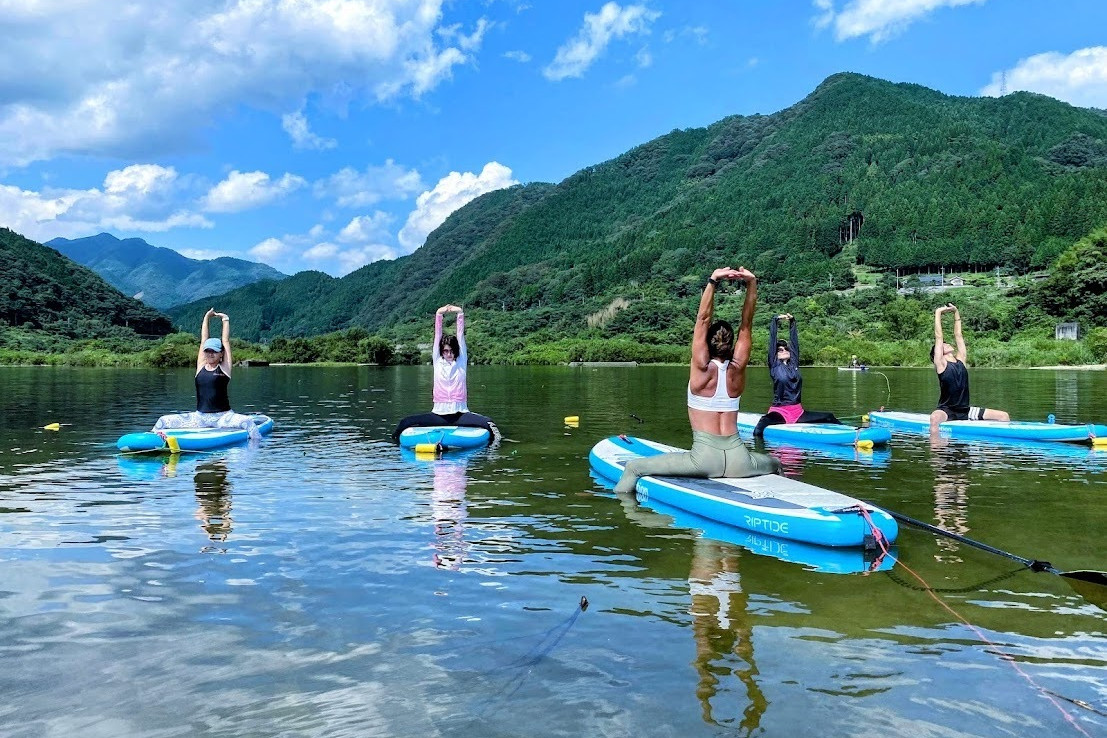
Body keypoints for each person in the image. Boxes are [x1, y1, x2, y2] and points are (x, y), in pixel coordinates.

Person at [614, 267, 780, 494]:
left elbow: (703, 319)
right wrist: (751, 283)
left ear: (707, 344)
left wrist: (713, 280)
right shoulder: (737, 368)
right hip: (740, 461)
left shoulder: (701, 368)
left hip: (702, 461)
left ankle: (624, 507)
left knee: (633, 468)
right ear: (731, 344)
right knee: (775, 463)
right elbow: (747, 324)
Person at [392, 305, 499, 440]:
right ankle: (394, 444)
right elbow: (437, 335)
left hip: (460, 414)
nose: (449, 354)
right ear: (442, 352)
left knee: (488, 423)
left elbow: (460, 335)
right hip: (439, 414)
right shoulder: (438, 361)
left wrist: (459, 312)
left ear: (456, 350)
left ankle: (495, 447)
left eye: (452, 351)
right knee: (404, 422)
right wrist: (439, 314)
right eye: (446, 351)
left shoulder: (461, 361)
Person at [152, 308, 261, 440]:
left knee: (248, 422)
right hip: (200, 418)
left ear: (221, 353)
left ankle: (255, 447)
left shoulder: (224, 368)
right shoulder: (201, 367)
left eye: (214, 351)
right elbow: (204, 339)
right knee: (163, 421)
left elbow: (225, 341)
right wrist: (206, 318)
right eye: (207, 351)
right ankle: (151, 442)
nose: (210, 354)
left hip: (223, 417)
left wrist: (225, 320)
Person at [753, 313, 842, 437]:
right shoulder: (774, 365)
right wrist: (775, 320)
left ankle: (855, 433)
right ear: (775, 354)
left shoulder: (794, 364)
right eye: (780, 349)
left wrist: (792, 322)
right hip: (780, 412)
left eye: (786, 348)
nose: (784, 350)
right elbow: (772, 341)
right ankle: (757, 443)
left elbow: (794, 343)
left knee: (829, 416)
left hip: (798, 412)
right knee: (761, 426)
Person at [930, 303, 1009, 430]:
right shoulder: (941, 364)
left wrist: (956, 312)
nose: (947, 343)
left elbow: (958, 335)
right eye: (944, 344)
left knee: (1003, 416)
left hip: (965, 411)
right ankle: (937, 441)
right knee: (934, 418)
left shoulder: (961, 360)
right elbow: (939, 337)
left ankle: (995, 440)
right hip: (947, 410)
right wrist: (938, 313)